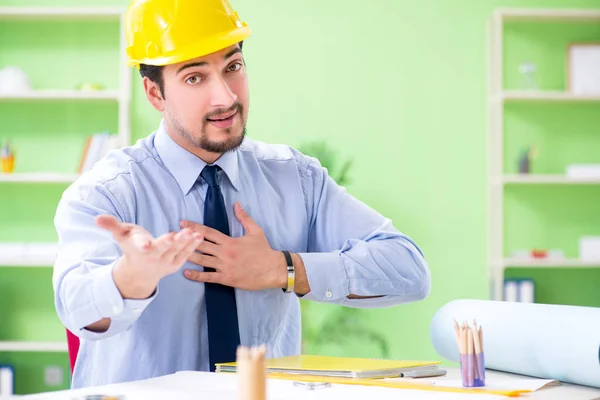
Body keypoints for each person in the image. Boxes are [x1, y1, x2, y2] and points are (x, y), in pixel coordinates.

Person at [52, 0, 431, 389]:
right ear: (155, 94)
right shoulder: (106, 193)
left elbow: (409, 269)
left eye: (232, 67)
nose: (225, 98)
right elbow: (75, 305)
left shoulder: (295, 178)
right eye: (195, 77)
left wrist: (285, 269)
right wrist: (131, 277)